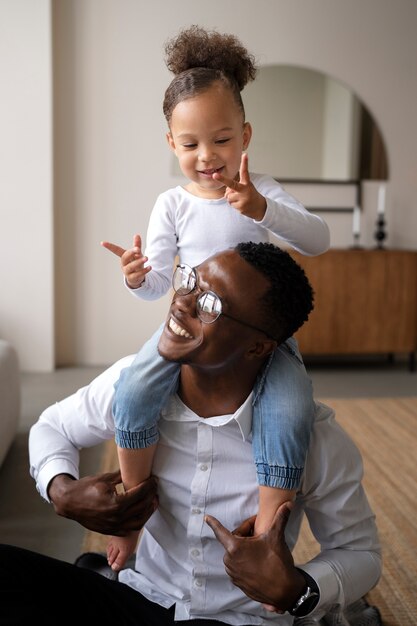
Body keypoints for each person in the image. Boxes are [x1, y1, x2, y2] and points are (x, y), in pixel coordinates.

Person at [0, 242, 381, 625]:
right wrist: (59, 488)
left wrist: (298, 590)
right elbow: (51, 427)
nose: (183, 303)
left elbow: (359, 552)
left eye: (211, 305)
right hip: (142, 596)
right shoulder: (131, 384)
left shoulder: (312, 437)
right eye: (190, 281)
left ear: (258, 347)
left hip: (242, 619)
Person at [100, 25, 330, 572]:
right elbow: (159, 284)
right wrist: (137, 279)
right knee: (132, 389)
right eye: (190, 144)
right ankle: (131, 509)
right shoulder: (172, 204)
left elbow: (318, 240)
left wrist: (261, 210)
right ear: (171, 144)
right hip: (188, 330)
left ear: (245, 135)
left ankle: (269, 543)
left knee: (292, 406)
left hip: (261, 336)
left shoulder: (262, 190)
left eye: (222, 139)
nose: (208, 155)